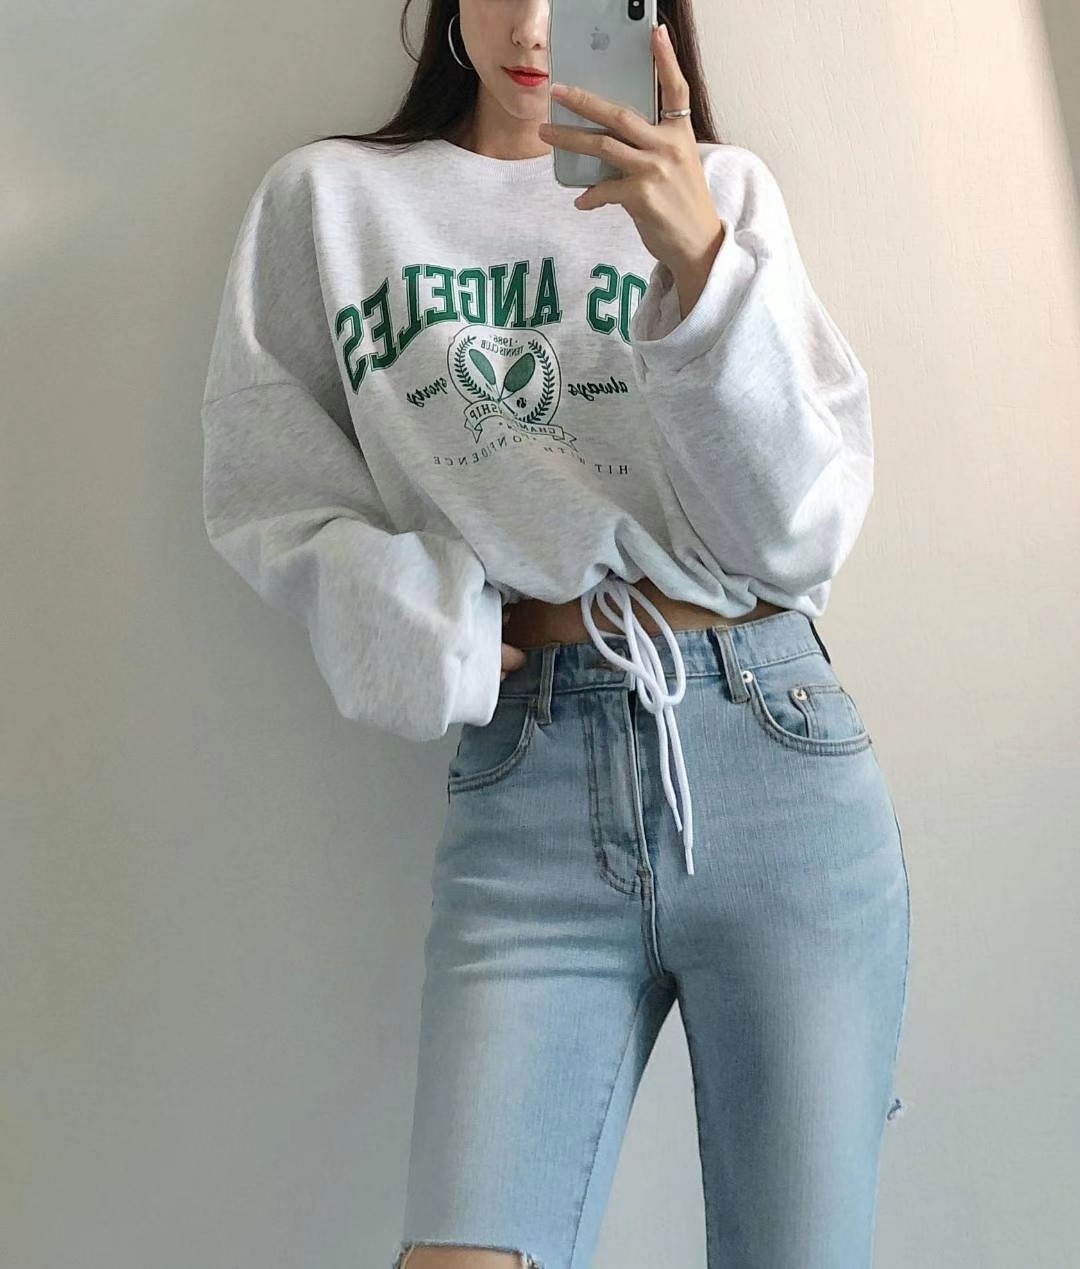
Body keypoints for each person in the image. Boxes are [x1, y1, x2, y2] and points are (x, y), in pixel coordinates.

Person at [200, 2, 911, 1265]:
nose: (534, 23)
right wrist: (426, 629)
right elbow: (268, 492)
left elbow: (799, 535)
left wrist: (699, 260)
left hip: (773, 755)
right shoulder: (332, 203)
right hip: (527, 790)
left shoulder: (722, 191)